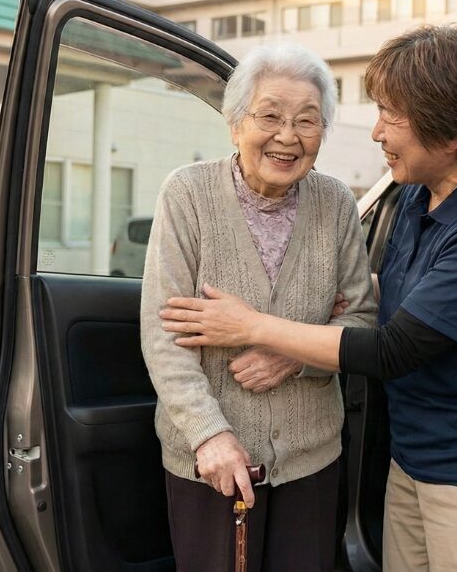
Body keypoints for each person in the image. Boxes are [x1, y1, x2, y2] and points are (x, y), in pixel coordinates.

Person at [160, 24, 457, 571]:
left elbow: (390, 346)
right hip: (414, 459)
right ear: (235, 124)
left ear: (449, 133)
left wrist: (259, 330)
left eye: (391, 116)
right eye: (269, 116)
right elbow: (381, 296)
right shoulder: (419, 194)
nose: (376, 133)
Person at [140, 42, 377, 572]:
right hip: (212, 463)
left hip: (311, 457)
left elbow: (360, 318)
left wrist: (293, 354)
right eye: (269, 116)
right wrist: (209, 435)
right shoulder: (188, 194)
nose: (287, 136)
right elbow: (164, 335)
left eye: (307, 120)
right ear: (235, 123)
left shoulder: (336, 201)